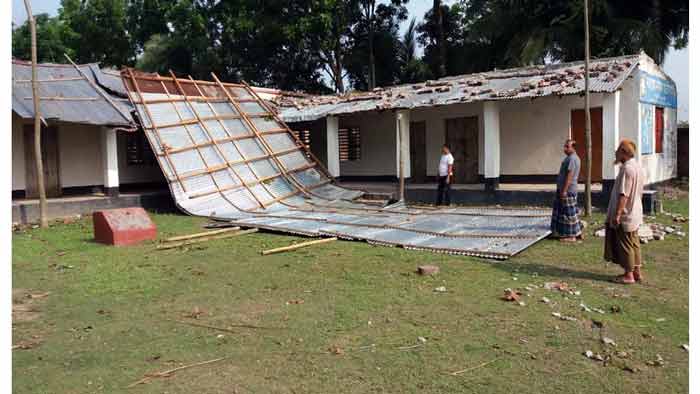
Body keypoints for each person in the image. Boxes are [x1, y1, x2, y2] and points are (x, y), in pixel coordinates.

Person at [604, 139, 645, 284]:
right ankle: (637, 272)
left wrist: (618, 214)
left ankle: (629, 275)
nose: (615, 152)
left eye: (618, 150)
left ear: (624, 152)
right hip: (635, 211)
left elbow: (624, 194)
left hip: (627, 213)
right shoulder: (637, 167)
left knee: (625, 244)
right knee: (634, 243)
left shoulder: (627, 169)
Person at [550, 139, 583, 242]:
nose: (565, 148)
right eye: (565, 146)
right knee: (565, 212)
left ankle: (571, 236)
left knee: (568, 213)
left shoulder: (572, 159)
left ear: (573, 148)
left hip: (568, 190)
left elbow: (570, 176)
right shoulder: (570, 158)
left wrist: (564, 190)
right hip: (564, 189)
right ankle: (575, 233)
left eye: (567, 147)